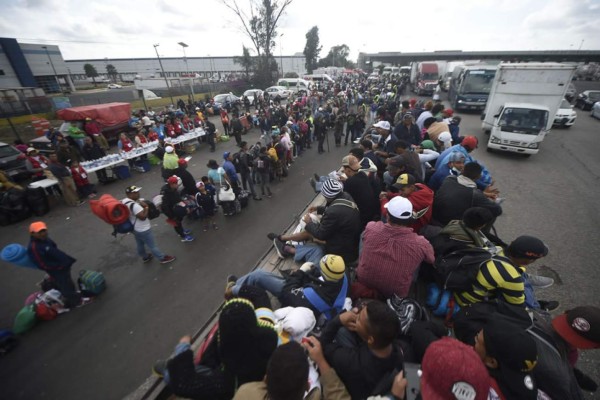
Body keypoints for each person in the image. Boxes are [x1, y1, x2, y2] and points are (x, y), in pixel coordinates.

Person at [156, 298, 278, 400]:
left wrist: (183, 346)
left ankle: (166, 370)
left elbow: (183, 382)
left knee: (173, 374)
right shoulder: (269, 342)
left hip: (230, 388)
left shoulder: (225, 383)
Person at [353, 196, 435, 300]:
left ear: (387, 216)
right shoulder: (421, 243)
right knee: (419, 257)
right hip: (396, 293)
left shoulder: (371, 227)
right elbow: (431, 259)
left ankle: (361, 265)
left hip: (364, 279)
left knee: (364, 235)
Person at [319, 300, 404, 399]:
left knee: (340, 331)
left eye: (358, 319)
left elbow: (324, 344)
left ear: (370, 339)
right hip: (374, 380)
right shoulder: (397, 349)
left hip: (356, 383)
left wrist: (338, 320)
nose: (355, 316)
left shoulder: (352, 362)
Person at [226, 254, 349, 320]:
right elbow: (319, 277)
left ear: (324, 273)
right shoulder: (343, 276)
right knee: (315, 252)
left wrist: (300, 272)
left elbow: (288, 293)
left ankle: (235, 289)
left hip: (298, 300)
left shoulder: (315, 297)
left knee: (258, 275)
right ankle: (242, 284)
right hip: (312, 293)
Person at [269, 179, 362, 265]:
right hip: (349, 241)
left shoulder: (333, 212)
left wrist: (309, 223)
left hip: (342, 251)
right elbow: (338, 210)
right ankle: (281, 238)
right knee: (310, 233)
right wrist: (319, 209)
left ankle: (287, 249)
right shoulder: (346, 196)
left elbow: (321, 234)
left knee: (315, 247)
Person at [473, 318, 542, 400]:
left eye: (477, 339)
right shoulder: (536, 390)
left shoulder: (479, 390)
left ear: (491, 362)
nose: (474, 341)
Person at [27, 221, 90, 308]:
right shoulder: (34, 247)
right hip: (56, 269)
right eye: (40, 232)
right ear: (33, 233)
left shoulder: (45, 239)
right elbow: (41, 264)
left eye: (44, 230)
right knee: (65, 285)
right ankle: (77, 302)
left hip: (63, 265)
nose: (43, 233)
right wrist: (57, 267)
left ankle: (74, 295)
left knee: (68, 281)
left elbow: (54, 247)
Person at [432, 162, 502, 228]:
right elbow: (498, 210)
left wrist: (483, 194)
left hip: (433, 218)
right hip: (449, 225)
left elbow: (460, 190)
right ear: (479, 176)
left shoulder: (449, 179)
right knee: (485, 213)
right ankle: (482, 234)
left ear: (462, 171)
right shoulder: (474, 194)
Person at [122, 185, 175, 264]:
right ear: (130, 194)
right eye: (135, 192)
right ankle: (162, 258)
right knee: (152, 245)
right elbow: (143, 217)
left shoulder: (125, 201)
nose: (138, 193)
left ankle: (145, 256)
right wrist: (146, 207)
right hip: (143, 229)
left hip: (134, 228)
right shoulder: (135, 206)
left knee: (140, 243)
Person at [340, 155, 380, 228]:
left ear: (348, 170)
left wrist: (346, 182)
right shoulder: (363, 174)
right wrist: (346, 181)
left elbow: (344, 200)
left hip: (361, 218)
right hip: (372, 213)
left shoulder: (350, 182)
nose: (343, 171)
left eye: (344, 169)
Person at [160, 176, 194, 242]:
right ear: (171, 184)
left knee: (179, 221)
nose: (177, 185)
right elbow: (165, 207)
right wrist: (171, 216)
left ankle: (182, 231)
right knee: (177, 223)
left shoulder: (173, 189)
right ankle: (183, 236)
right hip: (172, 211)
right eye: (176, 183)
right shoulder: (165, 193)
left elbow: (177, 197)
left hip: (177, 208)